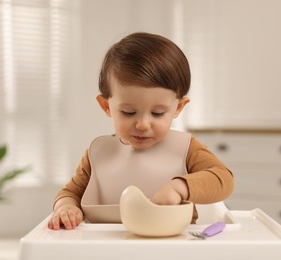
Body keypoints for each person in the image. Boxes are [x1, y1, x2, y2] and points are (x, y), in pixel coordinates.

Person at [48, 32, 234, 230]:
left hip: (173, 245)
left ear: (178, 108)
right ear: (106, 106)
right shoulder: (98, 153)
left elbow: (223, 178)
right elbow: (70, 193)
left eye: (157, 113)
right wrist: (65, 207)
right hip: (106, 246)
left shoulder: (186, 148)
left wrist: (180, 187)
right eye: (129, 112)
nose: (143, 124)